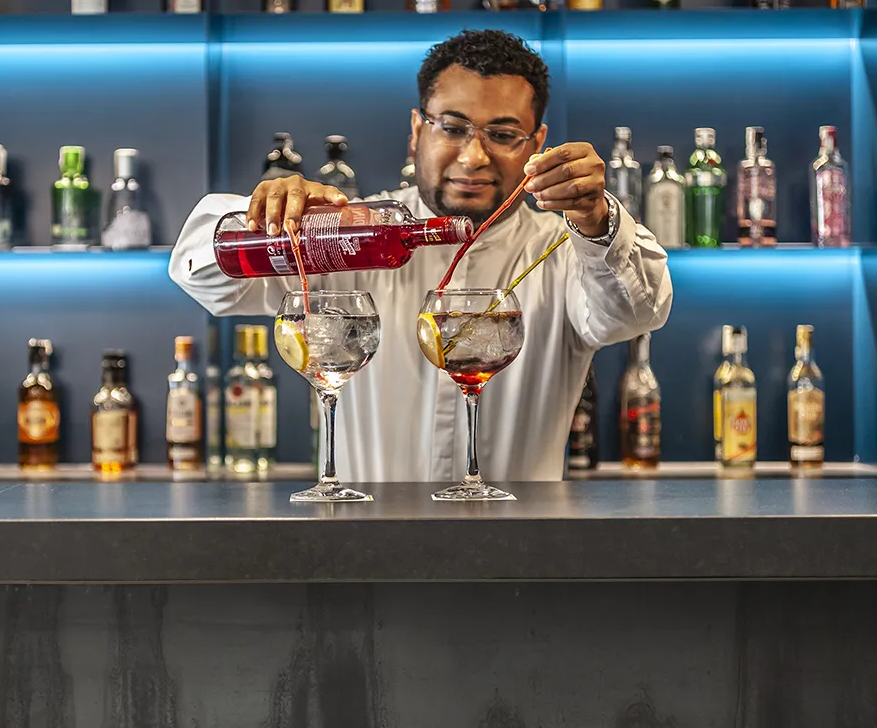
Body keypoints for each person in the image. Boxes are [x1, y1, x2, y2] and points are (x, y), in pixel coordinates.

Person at [170, 29, 672, 482]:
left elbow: (637, 311)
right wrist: (265, 219)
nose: (473, 157)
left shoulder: (565, 250)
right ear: (416, 131)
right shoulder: (347, 236)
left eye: (502, 135)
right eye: (452, 127)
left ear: (535, 144)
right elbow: (203, 276)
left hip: (517, 555)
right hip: (365, 550)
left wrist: (597, 217)